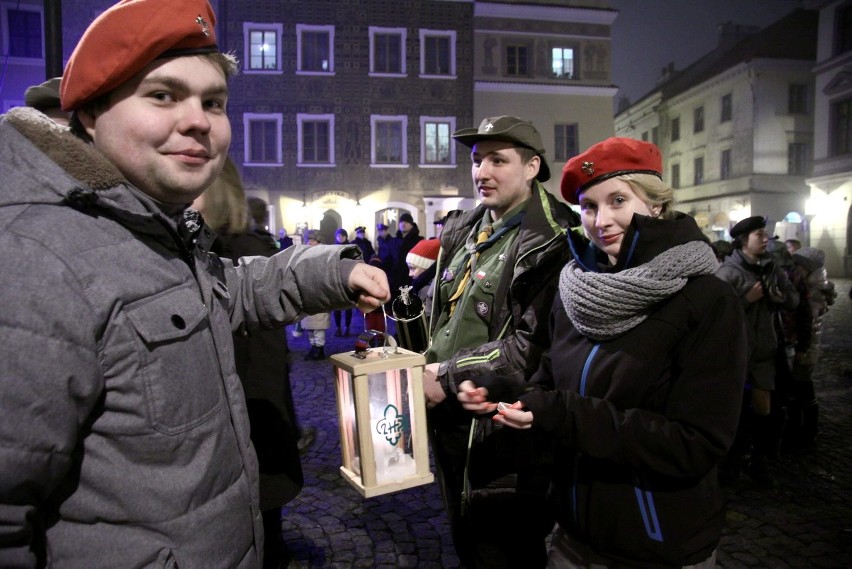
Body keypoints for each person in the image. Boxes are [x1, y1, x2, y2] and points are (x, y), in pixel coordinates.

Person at [0, 1, 389, 566]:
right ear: (91, 112)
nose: (199, 120)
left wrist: (335, 269)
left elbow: (232, 289)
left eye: (214, 102)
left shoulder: (143, 227)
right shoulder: (33, 254)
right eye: (162, 95)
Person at [475, 136, 748, 568]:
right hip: (571, 535)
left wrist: (561, 413)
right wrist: (508, 393)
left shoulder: (707, 299)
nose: (601, 220)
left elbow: (695, 443)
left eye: (618, 200)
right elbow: (554, 378)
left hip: (655, 546)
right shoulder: (575, 287)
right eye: (588, 206)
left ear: (655, 205)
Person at [421, 115, 580, 568]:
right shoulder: (466, 228)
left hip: (503, 426)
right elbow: (447, 316)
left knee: (505, 549)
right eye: (476, 160)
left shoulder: (552, 238)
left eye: (497, 160)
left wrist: (446, 374)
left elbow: (532, 345)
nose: (481, 172)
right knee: (467, 534)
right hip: (452, 414)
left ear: (532, 167)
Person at [193, 161, 305, 568]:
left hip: (251, 423)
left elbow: (261, 362)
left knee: (261, 540)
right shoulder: (224, 249)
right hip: (258, 423)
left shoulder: (239, 255)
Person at [716, 215, 798, 487]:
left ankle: (759, 462)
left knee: (764, 410)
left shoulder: (772, 268)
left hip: (764, 351)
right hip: (734, 354)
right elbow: (716, 315)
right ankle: (731, 462)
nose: (765, 240)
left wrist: (780, 298)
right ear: (743, 241)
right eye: (759, 235)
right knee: (734, 410)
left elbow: (794, 299)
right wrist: (745, 300)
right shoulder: (727, 273)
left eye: (766, 235)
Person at [782, 247, 836, 452]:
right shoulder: (814, 285)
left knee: (802, 389)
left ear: (807, 268)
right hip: (808, 345)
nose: (795, 269)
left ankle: (805, 432)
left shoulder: (812, 290)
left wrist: (802, 348)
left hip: (807, 347)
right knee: (800, 388)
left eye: (799, 265)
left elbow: (809, 322)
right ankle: (802, 430)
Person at [301, 230, 333, 360]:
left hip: (319, 293)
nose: (310, 243)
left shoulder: (323, 254)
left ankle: (319, 348)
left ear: (318, 241)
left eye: (313, 240)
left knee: (318, 324)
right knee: (310, 324)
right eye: (309, 240)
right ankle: (314, 347)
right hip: (308, 292)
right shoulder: (306, 254)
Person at [389, 212, 423, 298]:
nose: (403, 224)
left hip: (410, 280)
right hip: (395, 282)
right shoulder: (394, 241)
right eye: (401, 222)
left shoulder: (418, 241)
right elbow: (389, 259)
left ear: (411, 225)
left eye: (406, 222)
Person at [405, 237, 440, 319]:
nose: (410, 274)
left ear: (427, 267)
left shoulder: (426, 290)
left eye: (413, 268)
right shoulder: (421, 286)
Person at [333, 228, 354, 336]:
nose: (340, 238)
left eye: (342, 236)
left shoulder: (350, 248)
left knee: (348, 306)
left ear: (346, 237)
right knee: (337, 306)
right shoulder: (333, 248)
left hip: (348, 278)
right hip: (336, 279)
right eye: (339, 236)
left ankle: (347, 327)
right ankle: (338, 327)